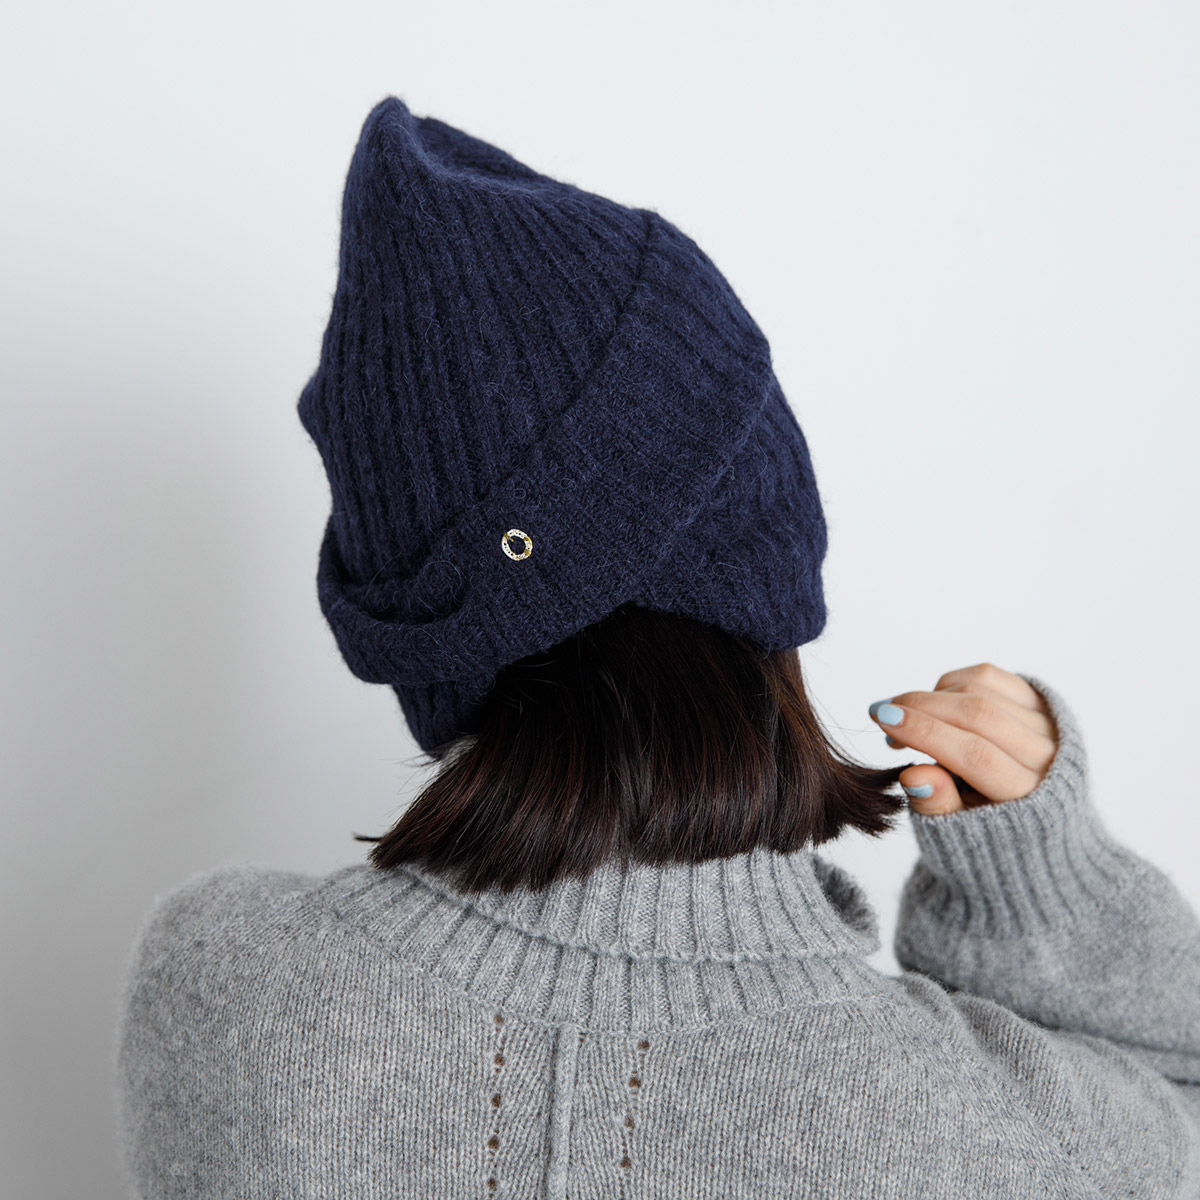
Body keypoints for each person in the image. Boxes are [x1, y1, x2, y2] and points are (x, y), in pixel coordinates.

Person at [114, 96, 1200, 1199]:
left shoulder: (222, 989)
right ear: (771, 535)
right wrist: (1041, 879)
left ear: (415, 624)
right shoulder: (982, 1123)